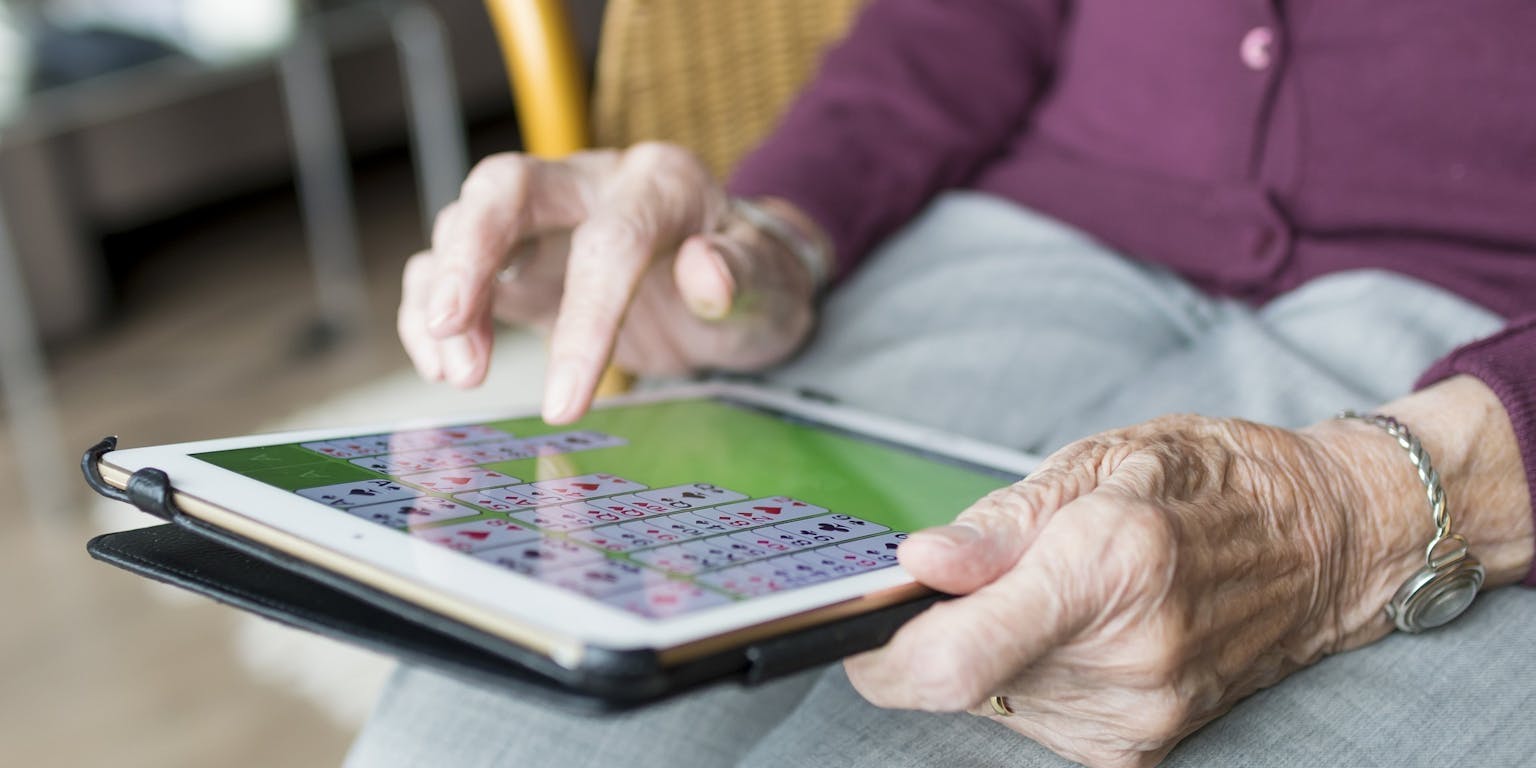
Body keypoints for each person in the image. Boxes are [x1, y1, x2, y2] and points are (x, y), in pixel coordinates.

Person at [358, 2, 1536, 766]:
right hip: (1018, 233)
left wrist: (1360, 513)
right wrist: (765, 247)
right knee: (486, 730)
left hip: (1477, 340)